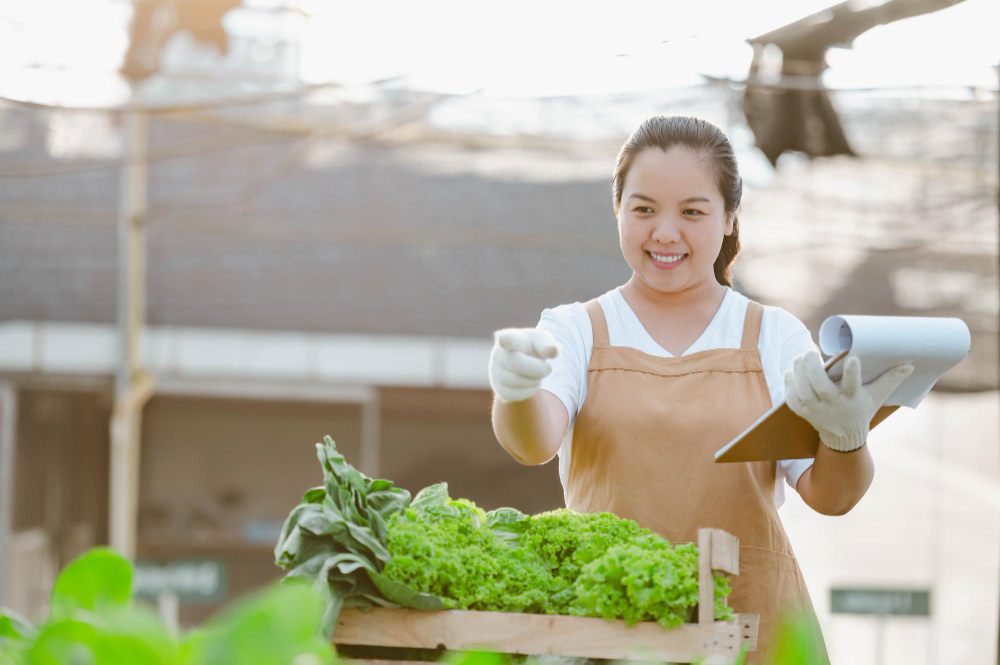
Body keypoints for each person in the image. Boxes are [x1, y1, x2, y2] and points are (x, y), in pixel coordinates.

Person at [488, 115, 913, 664]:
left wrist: (846, 437)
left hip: (754, 633)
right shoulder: (573, 330)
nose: (665, 232)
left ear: (731, 216)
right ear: (618, 211)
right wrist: (516, 392)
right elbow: (532, 442)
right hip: (608, 636)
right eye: (643, 209)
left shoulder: (774, 335)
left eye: (692, 211)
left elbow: (831, 497)